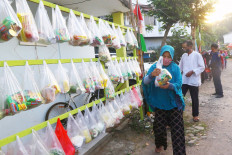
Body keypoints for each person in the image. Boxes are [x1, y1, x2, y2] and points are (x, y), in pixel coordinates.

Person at [142, 45, 186, 155]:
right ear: (161, 56)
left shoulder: (175, 68)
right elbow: (145, 82)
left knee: (177, 131)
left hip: (173, 104)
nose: (166, 59)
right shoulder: (155, 67)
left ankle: (179, 153)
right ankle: (159, 144)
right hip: (160, 104)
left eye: (169, 56)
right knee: (159, 128)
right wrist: (152, 75)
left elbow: (179, 84)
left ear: (172, 57)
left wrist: (170, 86)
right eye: (164, 56)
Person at [179, 41, 205, 122]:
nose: (184, 49)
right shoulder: (184, 55)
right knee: (180, 97)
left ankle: (195, 115)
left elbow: (202, 67)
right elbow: (180, 67)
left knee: (194, 98)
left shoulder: (197, 55)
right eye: (183, 47)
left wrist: (193, 71)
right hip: (184, 80)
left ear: (190, 46)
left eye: (185, 47)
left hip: (193, 80)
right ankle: (179, 114)